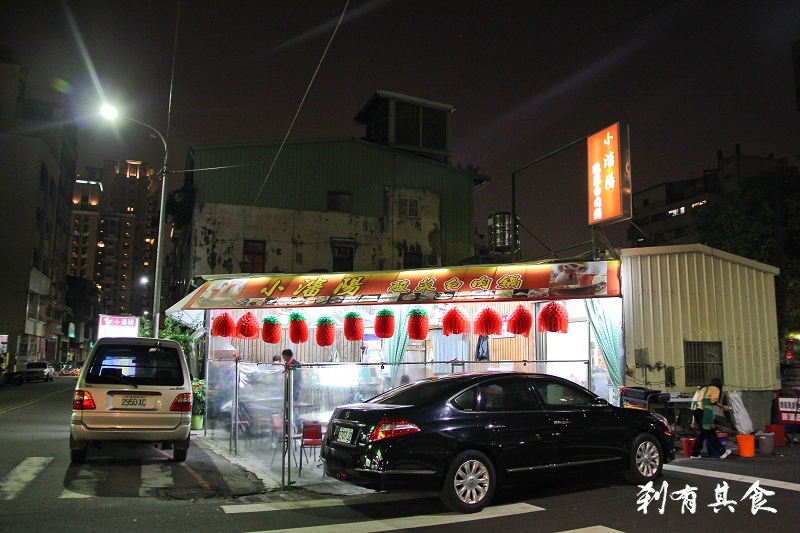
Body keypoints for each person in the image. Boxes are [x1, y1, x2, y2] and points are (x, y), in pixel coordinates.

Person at [689, 378, 732, 459]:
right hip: (704, 411)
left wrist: (693, 421)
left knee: (708, 432)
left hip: (695, 409)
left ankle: (721, 452)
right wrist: (723, 407)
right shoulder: (715, 389)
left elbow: (695, 400)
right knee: (705, 431)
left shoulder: (703, 388)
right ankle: (695, 452)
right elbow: (713, 400)